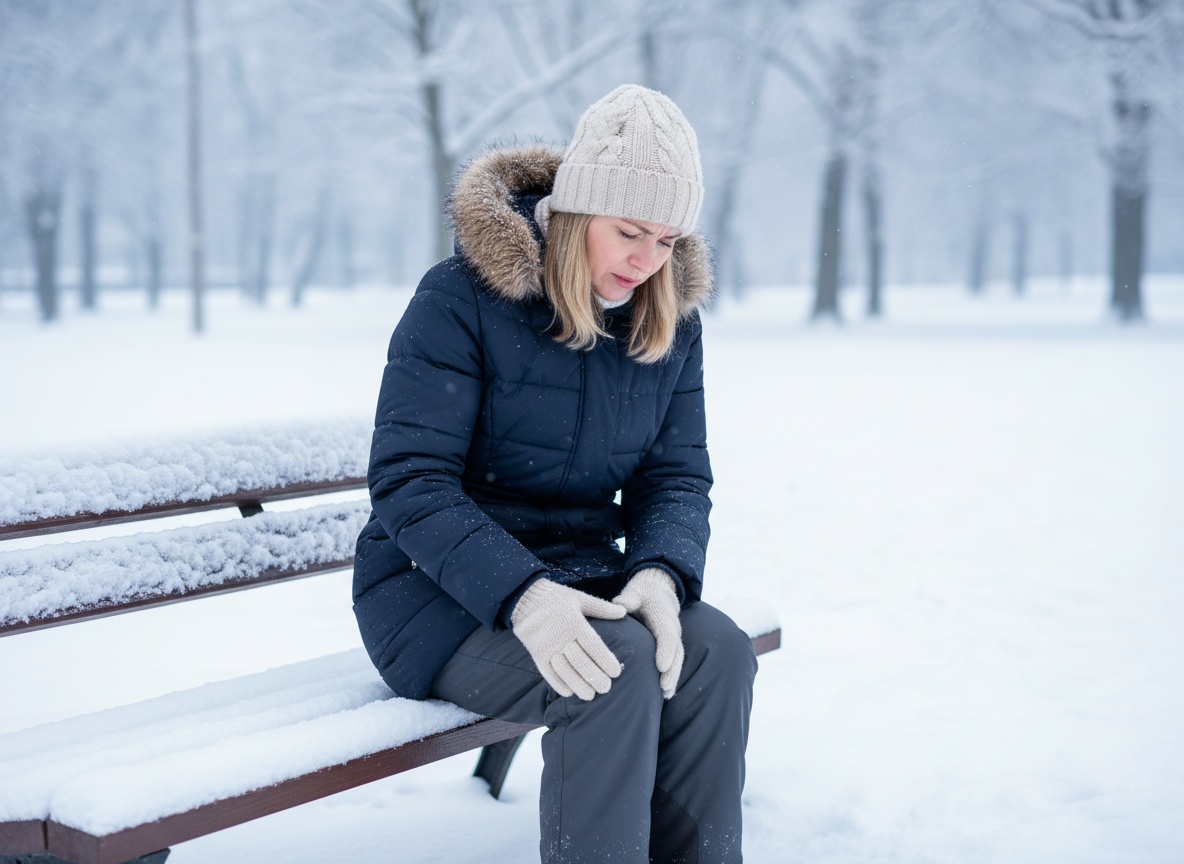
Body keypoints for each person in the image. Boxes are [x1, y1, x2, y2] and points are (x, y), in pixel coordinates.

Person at [353, 84, 758, 864]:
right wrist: (524, 597)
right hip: (430, 594)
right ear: (574, 215)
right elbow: (410, 481)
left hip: (582, 574)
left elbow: (675, 476)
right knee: (617, 672)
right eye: (630, 232)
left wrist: (662, 574)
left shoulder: (666, 318)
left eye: (669, 240)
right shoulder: (459, 301)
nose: (648, 262)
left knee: (717, 653)